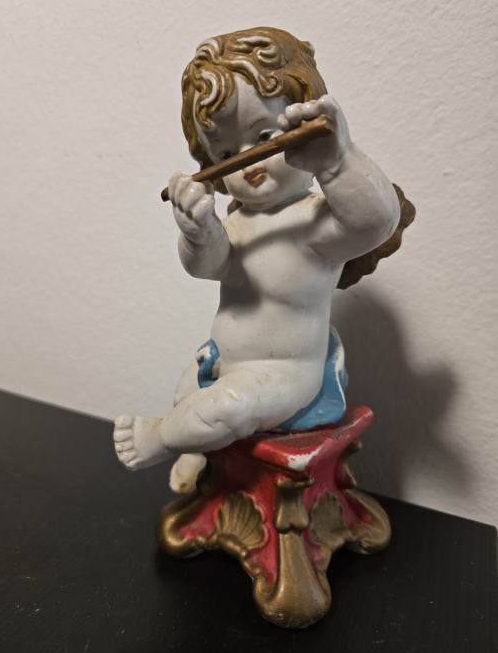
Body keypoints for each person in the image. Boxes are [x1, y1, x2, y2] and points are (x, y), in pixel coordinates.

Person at [113, 27, 408, 493]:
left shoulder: (314, 223)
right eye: (226, 152)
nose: (247, 161)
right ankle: (197, 448)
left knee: (224, 409)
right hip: (221, 360)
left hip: (285, 374)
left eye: (264, 136)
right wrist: (199, 231)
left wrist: (336, 161)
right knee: (188, 391)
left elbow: (375, 221)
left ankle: (162, 438)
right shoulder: (237, 222)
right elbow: (208, 266)